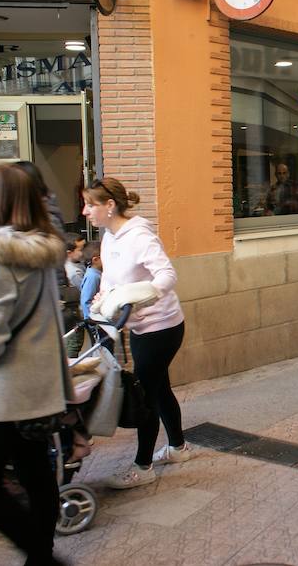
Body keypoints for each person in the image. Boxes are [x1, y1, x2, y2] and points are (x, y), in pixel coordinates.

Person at [0, 165, 71, 565]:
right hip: (37, 389)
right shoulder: (36, 251)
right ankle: (42, 557)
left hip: (5, 393)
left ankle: (46, 559)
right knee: (36, 475)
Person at [82, 177, 191, 489]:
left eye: (91, 204)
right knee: (159, 388)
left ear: (110, 205)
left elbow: (167, 275)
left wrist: (142, 295)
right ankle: (178, 448)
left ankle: (143, 468)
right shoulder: (109, 238)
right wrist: (102, 300)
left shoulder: (139, 236)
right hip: (141, 326)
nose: (85, 211)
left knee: (146, 395)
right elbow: (110, 282)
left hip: (162, 327)